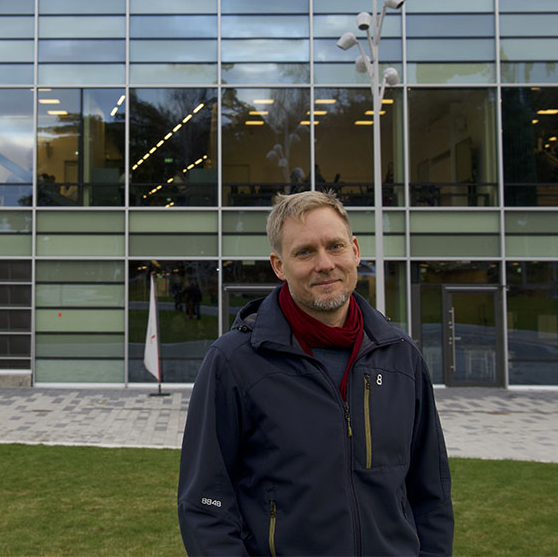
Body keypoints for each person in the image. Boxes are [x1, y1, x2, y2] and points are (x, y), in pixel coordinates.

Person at [178, 190, 453, 556]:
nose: (325, 263)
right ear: (279, 265)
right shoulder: (234, 363)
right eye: (305, 251)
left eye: (335, 246)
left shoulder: (401, 357)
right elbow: (205, 505)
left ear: (355, 250)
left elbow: (431, 496)